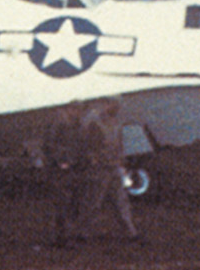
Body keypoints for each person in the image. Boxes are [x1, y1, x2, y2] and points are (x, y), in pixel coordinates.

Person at [45, 97, 140, 246]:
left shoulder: (109, 123)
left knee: (116, 201)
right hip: (100, 168)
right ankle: (77, 233)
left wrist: (120, 163)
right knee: (90, 202)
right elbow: (87, 146)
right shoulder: (94, 125)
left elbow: (117, 145)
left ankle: (130, 232)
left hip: (110, 167)